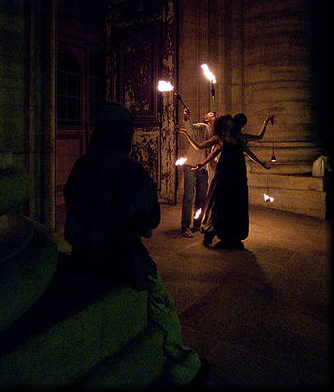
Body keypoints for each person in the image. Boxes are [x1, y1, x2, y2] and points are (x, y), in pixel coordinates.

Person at [63, 100, 209, 387]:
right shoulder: (134, 175)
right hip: (123, 261)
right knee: (162, 303)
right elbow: (151, 220)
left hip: (81, 255)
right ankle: (180, 364)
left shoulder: (81, 166)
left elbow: (74, 204)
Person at [177, 113, 273, 249]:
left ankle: (232, 234)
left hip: (238, 176)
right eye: (230, 120)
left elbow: (249, 151)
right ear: (226, 123)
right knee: (220, 204)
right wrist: (186, 134)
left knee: (235, 204)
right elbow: (200, 147)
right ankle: (212, 231)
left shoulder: (238, 137)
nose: (232, 121)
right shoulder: (219, 138)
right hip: (224, 175)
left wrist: (261, 163)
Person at [179, 107, 216, 238]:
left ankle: (197, 223)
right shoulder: (202, 127)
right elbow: (191, 129)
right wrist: (187, 117)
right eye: (211, 114)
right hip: (190, 166)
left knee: (201, 197)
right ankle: (185, 226)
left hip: (203, 168)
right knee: (189, 196)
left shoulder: (215, 133)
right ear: (206, 119)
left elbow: (213, 153)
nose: (214, 115)